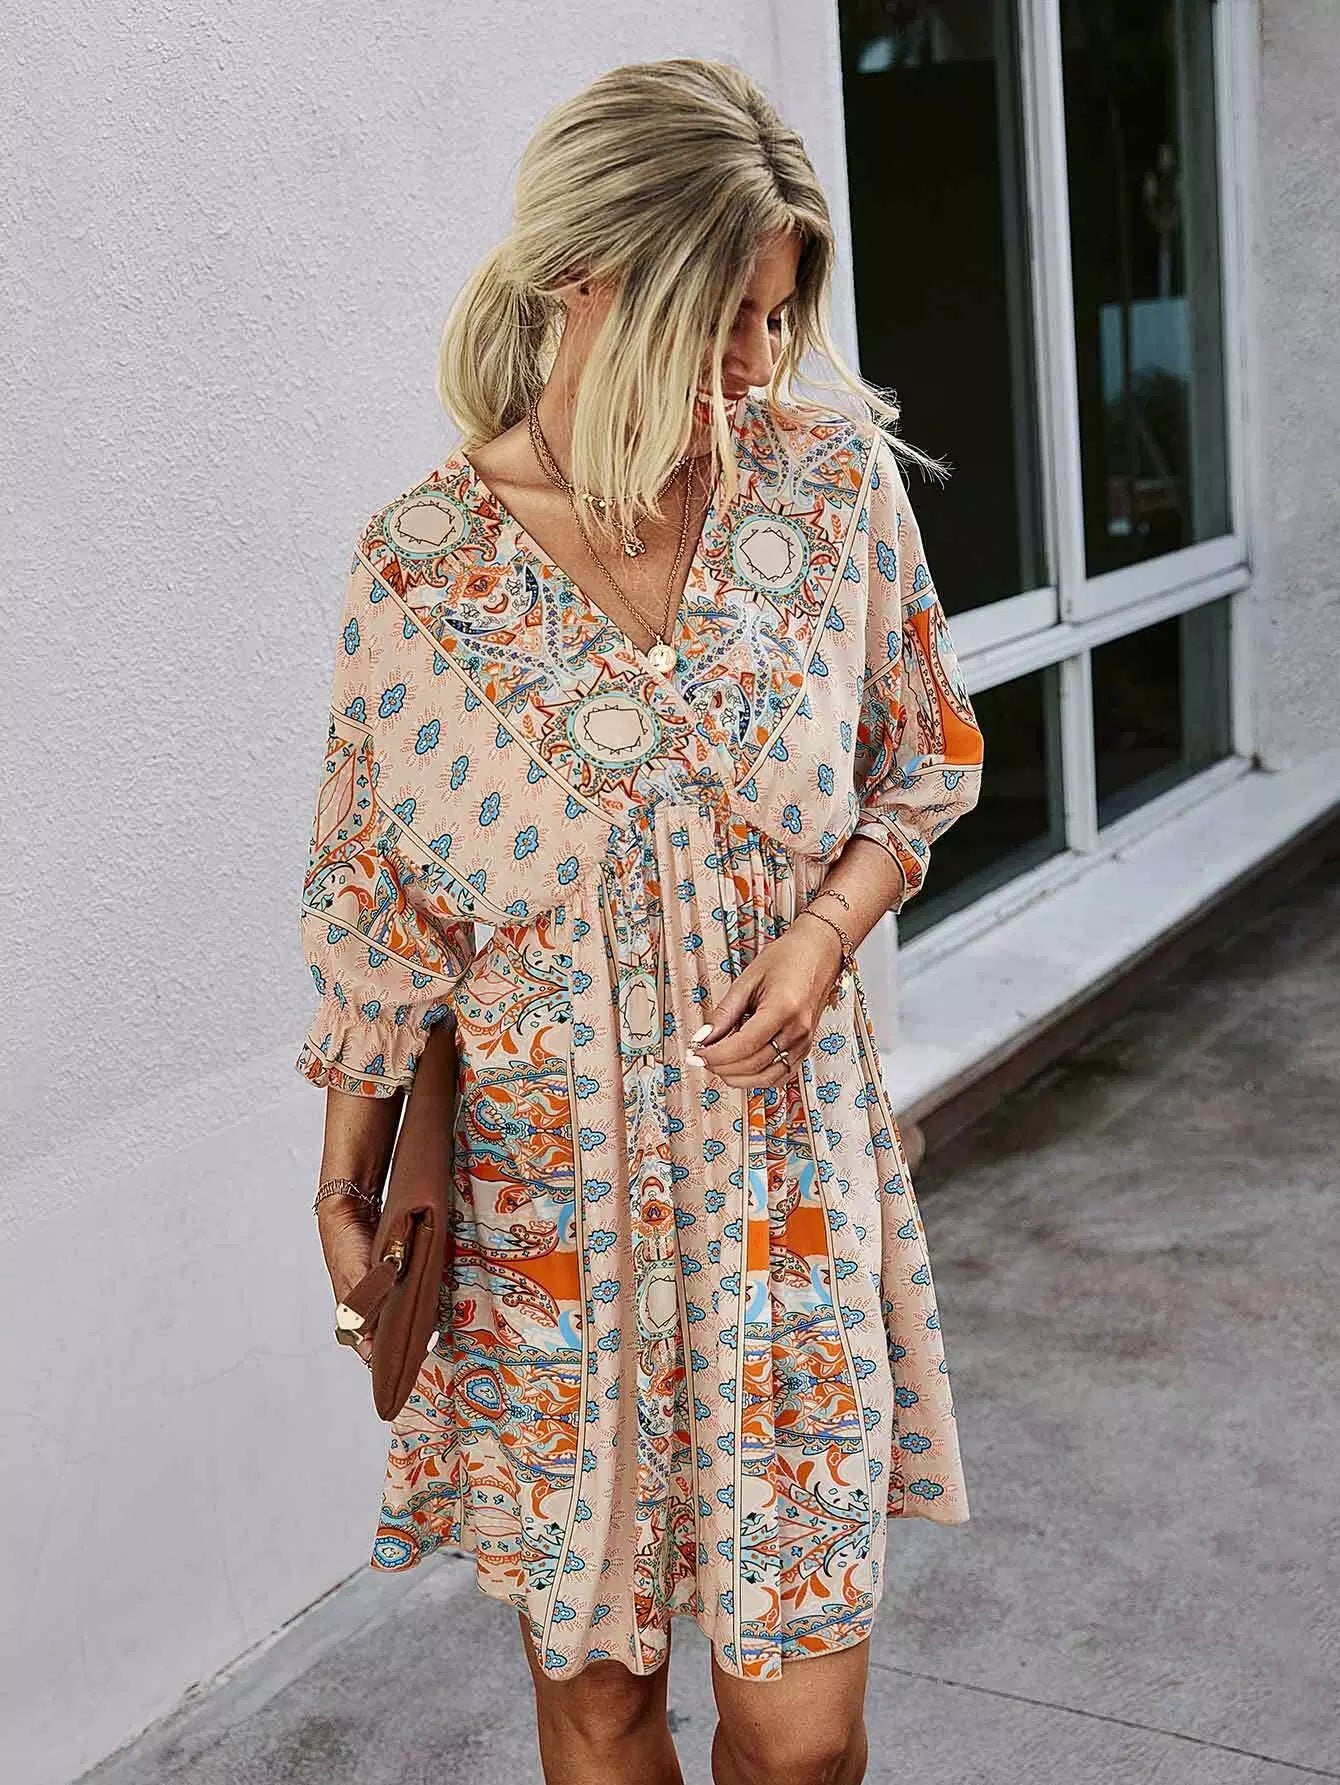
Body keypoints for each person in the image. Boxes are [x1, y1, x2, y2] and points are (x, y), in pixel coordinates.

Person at [295, 54, 984, 1785]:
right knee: (601, 1707)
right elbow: (380, 913)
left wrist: (824, 931)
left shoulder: (828, 490)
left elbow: (928, 756)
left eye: (776, 317)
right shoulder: (421, 568)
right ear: (583, 283)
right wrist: (344, 1186)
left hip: (785, 1205)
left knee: (802, 1736)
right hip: (549, 1231)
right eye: (720, 317)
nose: (756, 363)